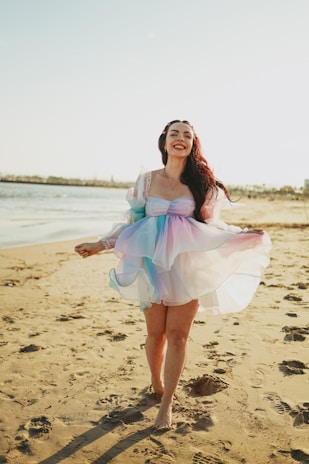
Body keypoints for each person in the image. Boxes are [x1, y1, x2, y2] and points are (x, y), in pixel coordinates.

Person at [75, 120, 271, 429]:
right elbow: (132, 224)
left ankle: (166, 406)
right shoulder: (146, 182)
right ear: (164, 142)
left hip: (188, 268)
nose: (180, 139)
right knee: (156, 335)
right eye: (174, 134)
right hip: (151, 268)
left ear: (193, 144)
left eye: (187, 135)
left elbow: (210, 228)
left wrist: (240, 235)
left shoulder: (202, 185)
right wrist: (99, 244)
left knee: (179, 335)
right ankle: (157, 384)